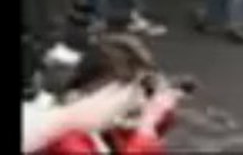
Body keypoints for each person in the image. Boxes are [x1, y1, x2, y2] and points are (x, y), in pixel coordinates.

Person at [31, 35, 184, 155]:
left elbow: (133, 132)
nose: (139, 101)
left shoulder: (99, 120)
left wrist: (160, 112)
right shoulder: (69, 143)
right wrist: (146, 128)